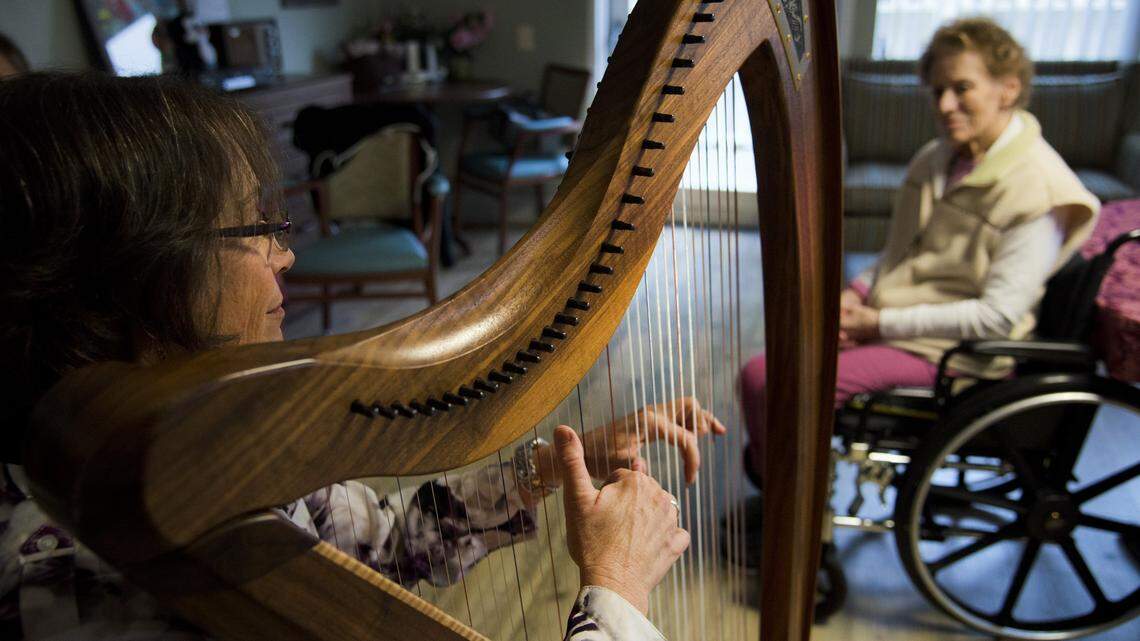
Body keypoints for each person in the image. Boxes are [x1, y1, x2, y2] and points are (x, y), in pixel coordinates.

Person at [0, 71, 726, 640]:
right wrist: (619, 593)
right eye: (251, 227)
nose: (284, 252)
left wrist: (548, 466)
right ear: (140, 274)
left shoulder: (209, 432)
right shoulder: (65, 586)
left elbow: (384, 540)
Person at [740, 17, 1099, 485]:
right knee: (757, 373)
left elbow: (996, 318)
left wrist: (879, 324)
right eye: (937, 91)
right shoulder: (937, 158)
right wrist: (857, 294)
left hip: (953, 352)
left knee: (788, 387)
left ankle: (790, 512)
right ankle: (781, 493)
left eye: (962, 88)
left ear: (1007, 89)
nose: (945, 105)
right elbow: (897, 256)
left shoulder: (1040, 189)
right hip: (894, 324)